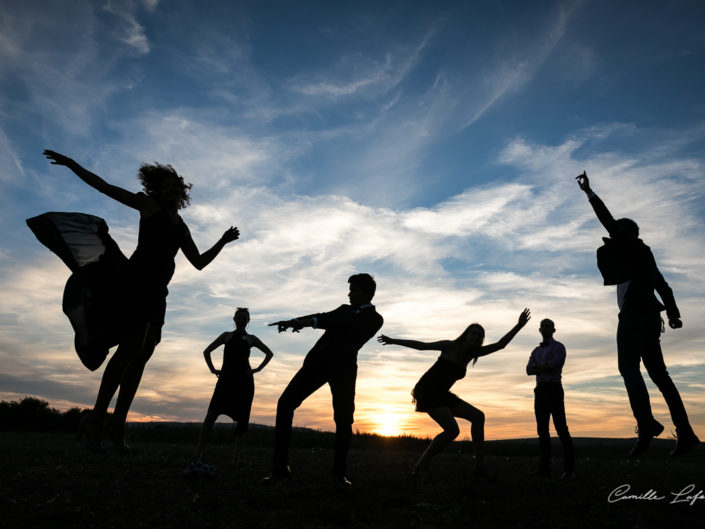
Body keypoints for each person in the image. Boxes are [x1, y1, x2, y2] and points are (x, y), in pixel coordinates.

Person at [43, 150, 240, 452]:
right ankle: (96, 418)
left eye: (177, 185)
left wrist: (223, 242)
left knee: (141, 357)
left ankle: (116, 425)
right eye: (167, 185)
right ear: (158, 190)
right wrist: (72, 165)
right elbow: (104, 187)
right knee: (130, 350)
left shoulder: (180, 224)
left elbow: (198, 262)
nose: (173, 189)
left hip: (158, 294)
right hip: (134, 284)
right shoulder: (147, 206)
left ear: (182, 192)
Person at [576, 171, 699, 457]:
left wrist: (589, 194)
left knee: (629, 368)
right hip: (651, 320)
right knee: (660, 376)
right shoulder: (644, 255)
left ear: (626, 234)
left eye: (616, 234)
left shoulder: (629, 245)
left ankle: (646, 424)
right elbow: (663, 285)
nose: (611, 239)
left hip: (633, 318)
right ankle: (686, 434)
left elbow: (607, 219)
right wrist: (673, 313)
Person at [378, 308, 530, 476]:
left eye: (480, 336)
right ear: (466, 334)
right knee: (452, 430)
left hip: (442, 394)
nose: (476, 337)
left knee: (478, 417)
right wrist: (393, 341)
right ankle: (420, 466)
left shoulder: (473, 354)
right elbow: (421, 346)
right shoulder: (450, 346)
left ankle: (480, 468)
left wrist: (519, 325)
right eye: (473, 334)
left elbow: (500, 345)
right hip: (427, 390)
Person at [265, 274, 383, 486]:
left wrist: (313, 322)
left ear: (367, 293)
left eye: (354, 290)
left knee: (344, 420)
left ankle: (339, 474)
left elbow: (343, 324)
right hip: (316, 364)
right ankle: (279, 468)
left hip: (343, 370)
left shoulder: (374, 319)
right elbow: (323, 316)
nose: (349, 294)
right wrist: (297, 321)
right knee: (285, 404)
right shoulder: (343, 309)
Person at [195, 308, 273, 465]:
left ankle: (236, 458)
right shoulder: (226, 335)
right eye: (239, 318)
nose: (241, 320)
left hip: (244, 382)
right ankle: (199, 454)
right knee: (211, 415)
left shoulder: (251, 339)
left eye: (244, 318)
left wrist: (256, 370)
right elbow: (207, 351)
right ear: (234, 319)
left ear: (248, 321)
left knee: (242, 419)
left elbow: (269, 353)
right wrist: (212, 369)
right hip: (225, 381)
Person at [526, 318, 575, 479]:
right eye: (543, 326)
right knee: (542, 431)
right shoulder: (535, 351)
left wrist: (538, 367)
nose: (545, 328)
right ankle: (544, 468)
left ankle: (569, 470)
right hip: (540, 390)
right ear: (539, 330)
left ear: (554, 330)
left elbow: (555, 364)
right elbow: (528, 370)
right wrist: (544, 367)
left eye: (549, 326)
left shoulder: (559, 347)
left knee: (561, 428)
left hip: (554, 389)